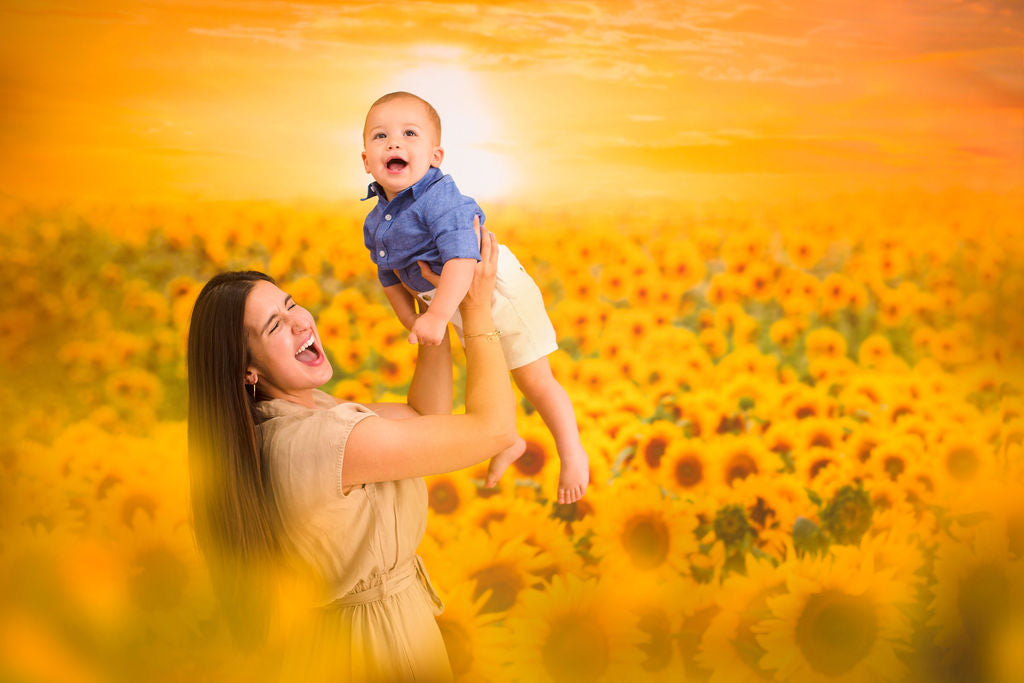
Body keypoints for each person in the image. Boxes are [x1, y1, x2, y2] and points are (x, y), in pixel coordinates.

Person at [187, 222, 516, 681]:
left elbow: (422, 415)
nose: (300, 321)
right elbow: (494, 431)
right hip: (378, 651)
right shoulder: (319, 442)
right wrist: (475, 310)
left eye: (291, 304)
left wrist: (431, 311)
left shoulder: (290, 421)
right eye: (275, 325)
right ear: (248, 370)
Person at [360, 90, 589, 504]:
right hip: (453, 301)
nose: (393, 143)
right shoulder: (376, 221)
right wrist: (410, 318)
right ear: (366, 160)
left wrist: (435, 316)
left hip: (494, 289)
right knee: (487, 377)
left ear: (435, 156)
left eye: (409, 134)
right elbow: (387, 273)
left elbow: (462, 258)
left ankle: (572, 453)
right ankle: (508, 441)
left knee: (533, 378)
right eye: (380, 136)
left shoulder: (439, 199)